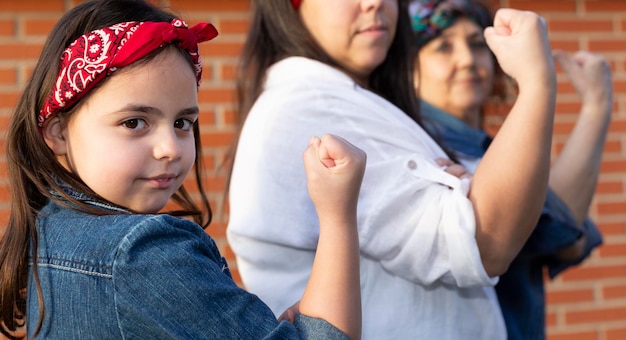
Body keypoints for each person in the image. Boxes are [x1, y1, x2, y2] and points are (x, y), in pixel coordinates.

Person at [0, 0, 366, 338]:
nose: (170, 149)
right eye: (134, 122)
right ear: (59, 133)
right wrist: (337, 214)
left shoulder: (49, 228)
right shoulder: (145, 253)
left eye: (182, 123)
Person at [228, 0, 557, 339]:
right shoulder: (318, 108)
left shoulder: (345, 99)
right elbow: (484, 243)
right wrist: (536, 81)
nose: (374, 2)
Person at [409, 0, 609, 338]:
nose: (467, 60)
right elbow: (561, 229)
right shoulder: (418, 151)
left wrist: (596, 104)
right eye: (443, 47)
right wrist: (595, 105)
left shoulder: (488, 146)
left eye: (477, 44)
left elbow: (567, 238)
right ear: (407, 68)